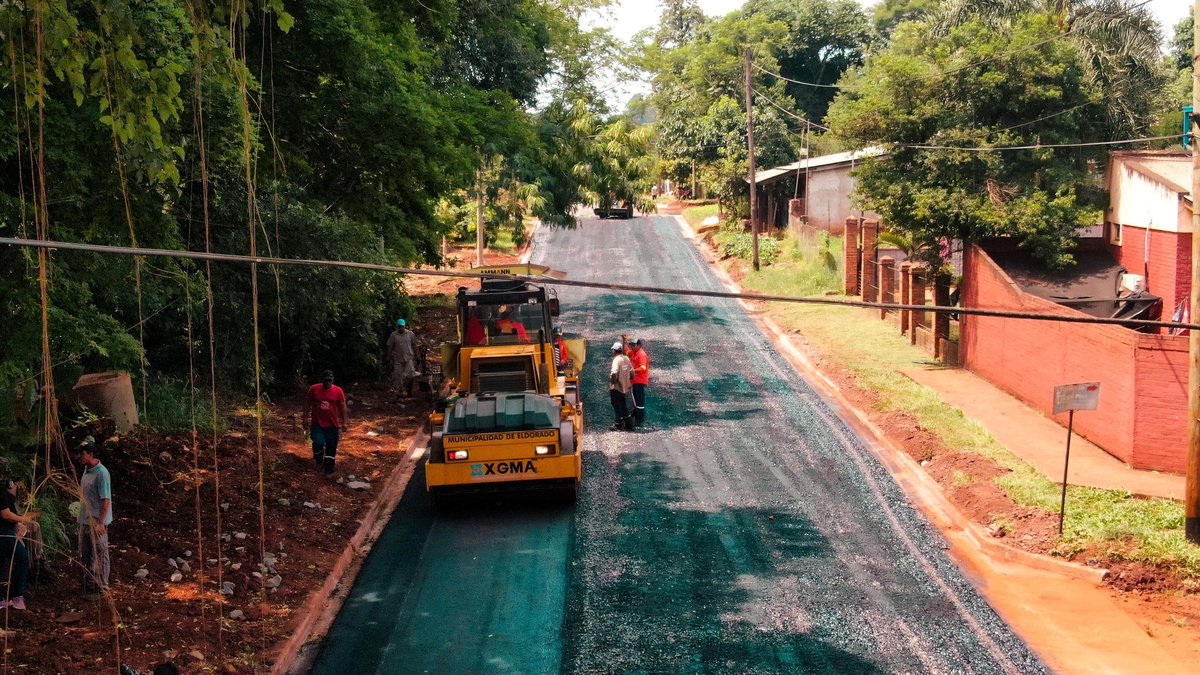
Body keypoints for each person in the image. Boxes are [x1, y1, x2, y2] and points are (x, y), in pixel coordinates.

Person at [76, 440, 112, 595]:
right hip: (84, 520)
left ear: (90, 454)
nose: (79, 457)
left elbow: (106, 500)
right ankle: (90, 585)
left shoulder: (101, 473)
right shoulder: (86, 471)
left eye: (82, 454)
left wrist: (101, 523)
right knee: (86, 555)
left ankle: (103, 587)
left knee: (101, 553)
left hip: (96, 522)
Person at [0, 475, 33, 610]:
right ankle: (17, 596)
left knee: (2, 564)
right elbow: (5, 514)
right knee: (23, 557)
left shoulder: (4, 492)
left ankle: (2, 599)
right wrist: (24, 519)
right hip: (2, 533)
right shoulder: (1, 491)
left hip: (6, 531)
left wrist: (18, 523)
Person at [306, 370, 348, 476]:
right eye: (326, 380)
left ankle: (329, 469)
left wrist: (345, 422)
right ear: (322, 380)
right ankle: (319, 460)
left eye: (330, 380)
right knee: (318, 443)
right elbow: (307, 403)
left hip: (332, 425)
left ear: (332, 380)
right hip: (317, 424)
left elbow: (343, 406)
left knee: (331, 447)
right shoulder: (314, 389)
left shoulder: (338, 391)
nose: (328, 383)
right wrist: (304, 418)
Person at [386, 319, 418, 397]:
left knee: (411, 375)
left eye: (402, 326)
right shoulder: (394, 335)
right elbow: (390, 347)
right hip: (398, 359)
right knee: (398, 376)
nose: (401, 328)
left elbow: (414, 345)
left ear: (404, 326)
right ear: (397, 327)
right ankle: (400, 392)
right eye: (399, 327)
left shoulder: (410, 334)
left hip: (408, 358)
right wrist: (388, 357)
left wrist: (417, 356)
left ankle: (409, 391)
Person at [608, 341, 634, 431]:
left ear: (614, 350)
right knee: (623, 404)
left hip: (617, 387)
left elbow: (614, 372)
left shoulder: (616, 360)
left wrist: (612, 382)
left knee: (616, 405)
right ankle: (629, 424)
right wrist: (630, 379)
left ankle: (618, 424)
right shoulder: (626, 358)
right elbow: (632, 371)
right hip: (625, 387)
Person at [625, 337, 650, 429]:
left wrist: (632, 371)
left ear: (639, 345)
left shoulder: (641, 355)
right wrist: (625, 342)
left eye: (633, 345)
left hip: (639, 380)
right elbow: (627, 352)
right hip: (635, 380)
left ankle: (639, 421)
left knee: (639, 401)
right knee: (635, 399)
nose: (632, 346)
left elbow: (643, 367)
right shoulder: (634, 352)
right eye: (631, 345)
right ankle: (637, 417)